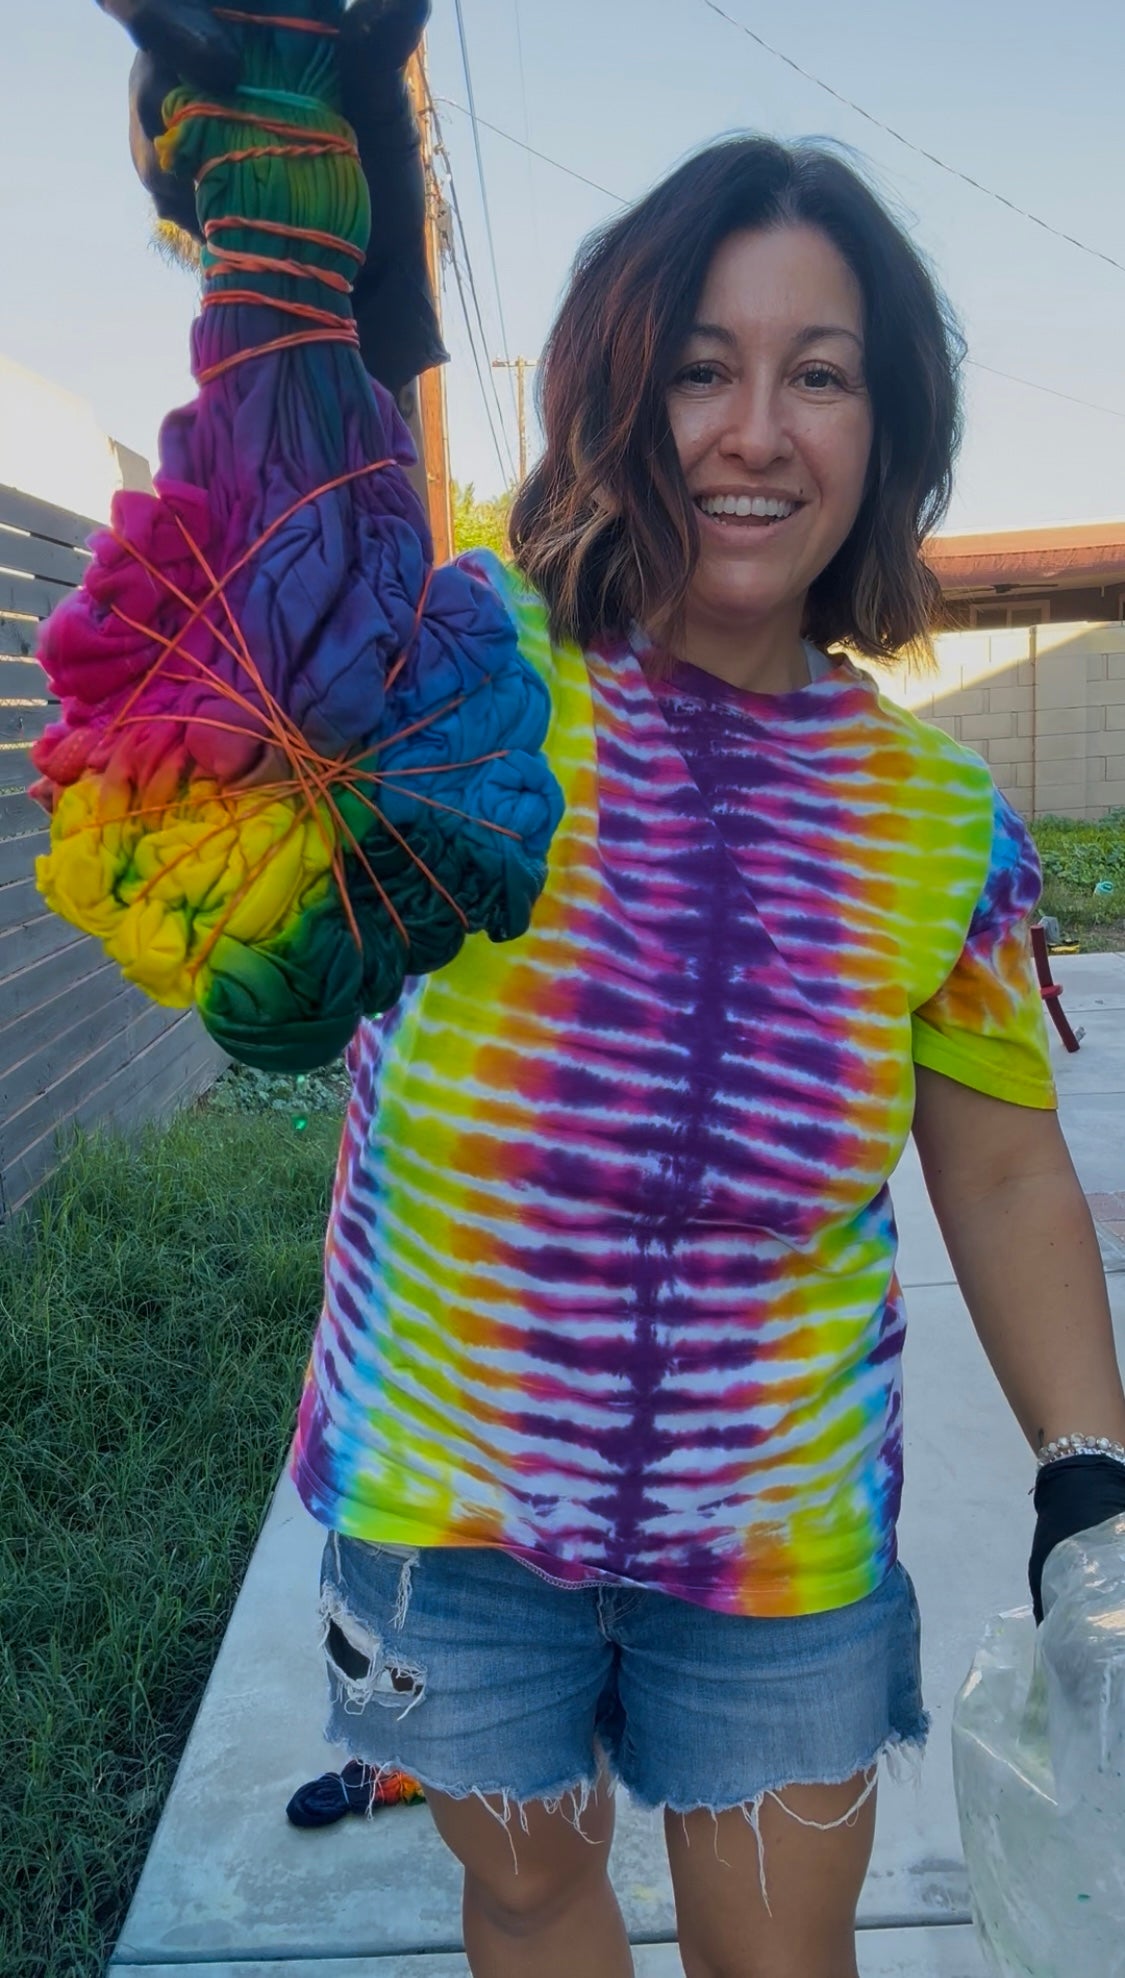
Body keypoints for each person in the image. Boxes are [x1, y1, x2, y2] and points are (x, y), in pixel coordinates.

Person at [99, 7, 1125, 1975]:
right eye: (695, 370)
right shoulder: (468, 677)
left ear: (881, 427)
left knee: (775, 1952)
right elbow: (327, 549)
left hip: (772, 1530)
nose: (751, 430)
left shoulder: (936, 818)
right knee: (526, 1888)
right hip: (446, 1499)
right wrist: (348, 217)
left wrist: (1085, 1477)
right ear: (611, 400)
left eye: (813, 377)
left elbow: (995, 1174)